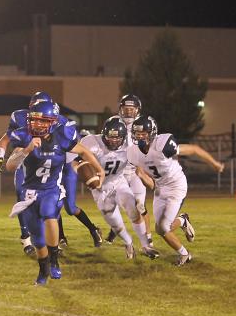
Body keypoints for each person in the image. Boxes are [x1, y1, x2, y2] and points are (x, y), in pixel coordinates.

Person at [5, 100, 105, 285]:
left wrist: (99, 169)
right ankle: (43, 270)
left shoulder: (62, 136)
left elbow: (84, 151)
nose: (38, 124)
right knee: (37, 239)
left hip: (51, 189)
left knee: (50, 215)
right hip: (30, 192)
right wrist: (27, 149)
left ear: (52, 122)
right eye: (35, 120)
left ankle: (54, 261)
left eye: (43, 121)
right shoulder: (24, 137)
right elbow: (10, 165)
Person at [127, 115, 225, 266]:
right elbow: (151, 184)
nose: (139, 136)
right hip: (160, 187)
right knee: (160, 229)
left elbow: (194, 149)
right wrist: (140, 176)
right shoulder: (133, 152)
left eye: (143, 133)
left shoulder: (163, 143)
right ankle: (182, 220)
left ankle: (185, 255)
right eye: (137, 133)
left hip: (176, 185)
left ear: (152, 132)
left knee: (164, 227)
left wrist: (214, 163)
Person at [80, 116, 156, 259]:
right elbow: (76, 161)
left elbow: (145, 153)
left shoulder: (130, 142)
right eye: (110, 138)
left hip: (119, 181)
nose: (114, 141)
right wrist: (85, 174)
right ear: (104, 134)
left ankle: (146, 246)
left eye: (118, 138)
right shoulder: (91, 143)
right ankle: (128, 243)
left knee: (133, 207)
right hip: (100, 189)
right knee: (115, 222)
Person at [105, 94, 154, 249]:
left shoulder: (144, 123)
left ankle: (148, 236)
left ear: (137, 110)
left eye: (131, 109)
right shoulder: (113, 122)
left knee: (140, 205)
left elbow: (150, 145)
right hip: (118, 171)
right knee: (116, 203)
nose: (128, 112)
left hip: (134, 171)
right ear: (121, 109)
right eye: (126, 109)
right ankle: (115, 231)